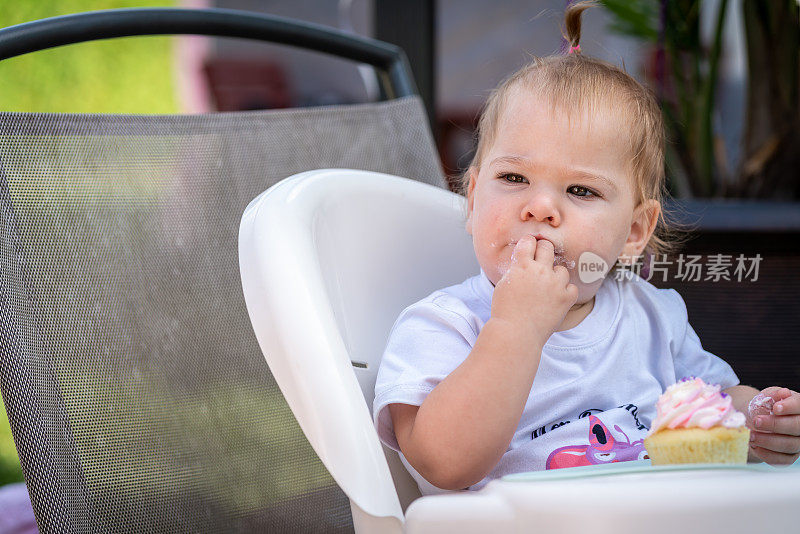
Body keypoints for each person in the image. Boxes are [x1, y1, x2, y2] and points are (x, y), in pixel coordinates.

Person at [372, 1, 800, 495]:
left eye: (581, 191)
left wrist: (756, 420)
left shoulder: (651, 315)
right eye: (513, 177)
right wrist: (517, 327)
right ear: (472, 197)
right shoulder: (445, 325)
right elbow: (443, 465)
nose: (539, 207)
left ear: (635, 232)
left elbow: (717, 400)